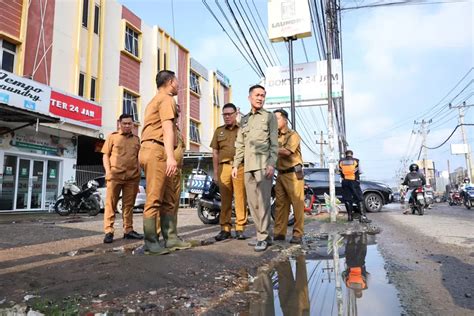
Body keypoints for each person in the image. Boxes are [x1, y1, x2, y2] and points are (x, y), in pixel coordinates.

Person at [139, 70, 189, 255]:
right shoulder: (166, 99)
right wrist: (170, 157)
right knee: (154, 198)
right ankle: (151, 243)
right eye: (176, 80)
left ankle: (171, 238)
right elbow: (167, 130)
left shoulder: (158, 100)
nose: (178, 83)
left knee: (169, 197)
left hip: (154, 149)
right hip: (157, 151)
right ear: (170, 82)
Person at [232, 84, 278, 252]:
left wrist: (272, 163)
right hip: (248, 167)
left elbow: (274, 143)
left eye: (263, 95)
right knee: (252, 204)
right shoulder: (244, 120)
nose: (260, 98)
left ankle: (263, 236)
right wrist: (236, 164)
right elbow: (240, 144)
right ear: (249, 97)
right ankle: (263, 234)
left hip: (263, 166)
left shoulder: (269, 117)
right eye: (257, 95)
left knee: (263, 202)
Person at [101, 113, 143, 243]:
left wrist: (139, 172)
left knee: (128, 206)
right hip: (115, 176)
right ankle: (109, 231)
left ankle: (128, 231)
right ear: (119, 124)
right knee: (111, 204)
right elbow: (105, 155)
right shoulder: (112, 137)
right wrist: (108, 171)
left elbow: (139, 158)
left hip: (132, 178)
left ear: (133, 125)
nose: (127, 126)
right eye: (124, 123)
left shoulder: (137, 139)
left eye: (129, 123)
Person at [210, 103, 247, 241]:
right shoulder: (219, 131)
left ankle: (240, 228)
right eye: (224, 115)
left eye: (229, 114)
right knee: (225, 200)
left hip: (240, 167)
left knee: (240, 198)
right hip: (223, 167)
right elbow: (215, 152)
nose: (227, 117)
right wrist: (215, 172)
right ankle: (225, 229)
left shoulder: (242, 130)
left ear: (236, 114)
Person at [273, 109, 305, 244]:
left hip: (293, 173)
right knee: (280, 205)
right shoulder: (275, 136)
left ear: (285, 120)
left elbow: (286, 152)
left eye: (277, 119)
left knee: (297, 204)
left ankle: (298, 234)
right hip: (280, 174)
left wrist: (269, 148)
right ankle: (280, 233)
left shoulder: (293, 135)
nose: (274, 122)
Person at [338, 150, 371, 223]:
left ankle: (350, 217)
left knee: (347, 199)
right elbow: (360, 171)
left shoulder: (341, 161)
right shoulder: (356, 161)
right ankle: (363, 217)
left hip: (345, 182)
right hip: (354, 181)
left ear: (345, 154)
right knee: (359, 198)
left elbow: (338, 171)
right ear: (352, 155)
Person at [342, 233, 369, 299]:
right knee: (350, 249)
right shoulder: (348, 285)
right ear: (354, 292)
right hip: (350, 264)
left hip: (360, 264)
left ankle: (363, 234)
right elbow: (343, 274)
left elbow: (368, 275)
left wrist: (364, 272)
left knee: (362, 249)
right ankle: (351, 235)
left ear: (361, 292)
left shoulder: (364, 286)